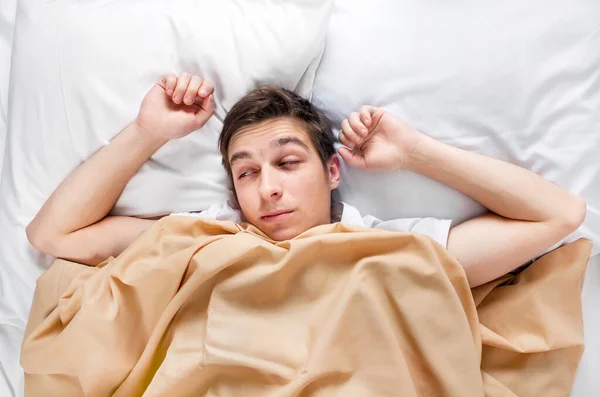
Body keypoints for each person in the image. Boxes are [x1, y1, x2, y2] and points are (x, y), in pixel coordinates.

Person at [26, 73, 586, 288]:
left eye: (288, 162)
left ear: (332, 169)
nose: (267, 187)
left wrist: (417, 153)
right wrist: (147, 133)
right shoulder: (201, 238)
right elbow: (55, 237)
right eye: (247, 172)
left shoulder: (395, 247)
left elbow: (557, 215)